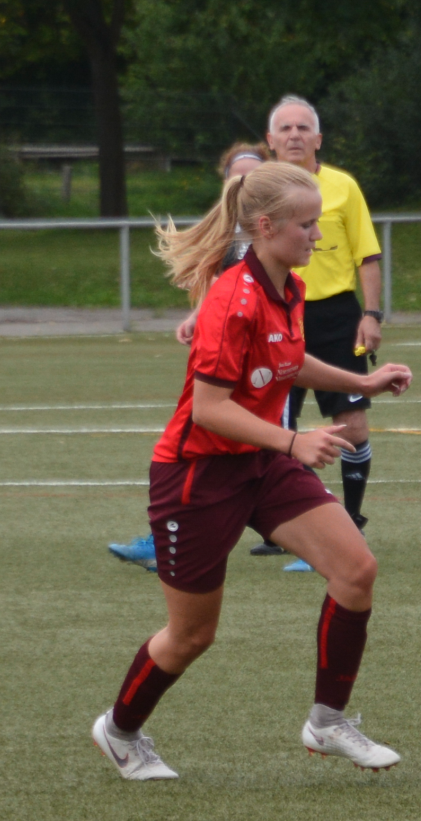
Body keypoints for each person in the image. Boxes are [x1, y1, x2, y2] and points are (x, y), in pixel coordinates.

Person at [90, 161, 415, 780]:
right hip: (196, 478)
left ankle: (327, 722)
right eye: (306, 224)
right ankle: (120, 730)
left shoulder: (286, 286)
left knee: (356, 569)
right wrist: (293, 441)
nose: (317, 235)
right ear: (265, 226)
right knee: (191, 636)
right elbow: (211, 411)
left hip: (260, 462)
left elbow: (287, 363)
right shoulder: (230, 299)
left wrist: (361, 380)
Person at [107, 141, 273, 570]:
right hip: (233, 359)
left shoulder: (275, 231)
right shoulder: (231, 232)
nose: (243, 183)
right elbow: (226, 286)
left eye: (253, 176)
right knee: (210, 447)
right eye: (237, 177)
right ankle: (169, 539)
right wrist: (198, 315)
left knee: (266, 452)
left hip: (269, 363)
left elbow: (264, 298)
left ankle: (316, 526)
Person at [257, 95, 386, 571]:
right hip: (275, 313)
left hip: (335, 316)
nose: (294, 135)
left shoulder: (343, 187)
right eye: (284, 128)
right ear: (270, 140)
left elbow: (366, 256)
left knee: (351, 426)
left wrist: (371, 314)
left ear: (318, 138)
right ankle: (288, 529)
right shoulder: (255, 189)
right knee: (275, 428)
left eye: (302, 128)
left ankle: (349, 522)